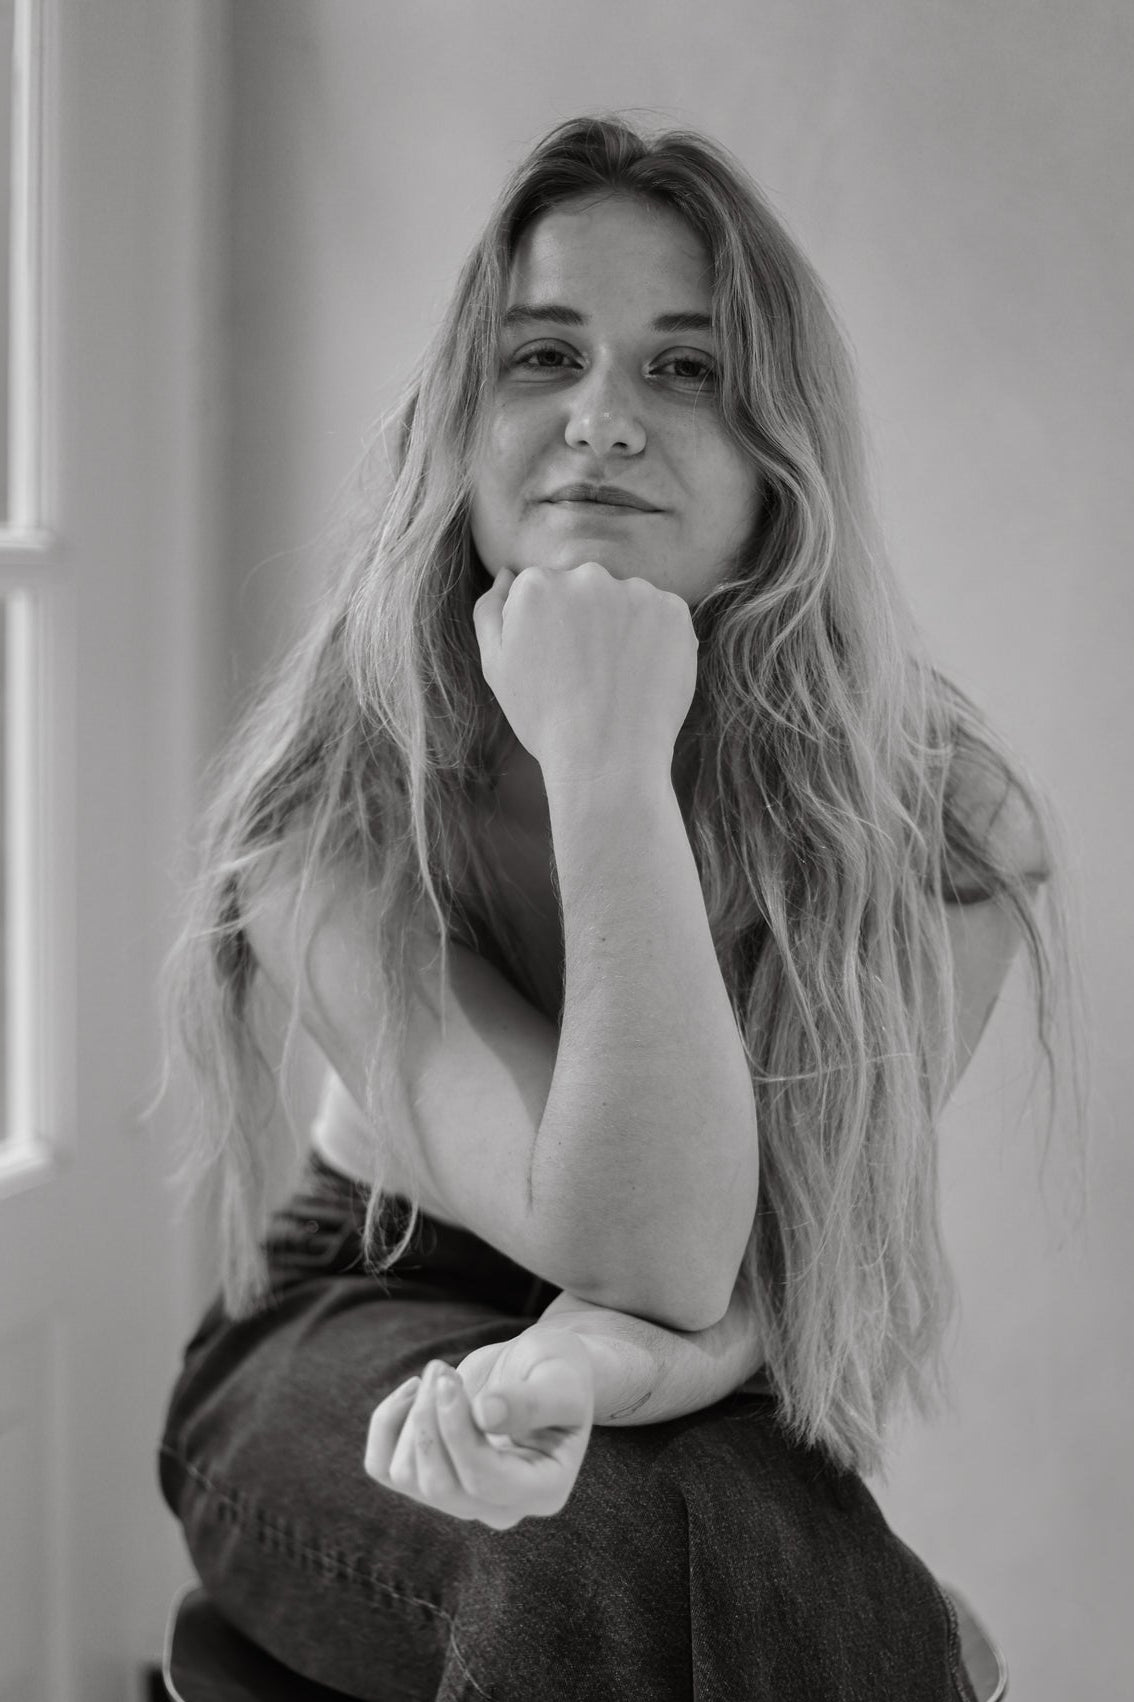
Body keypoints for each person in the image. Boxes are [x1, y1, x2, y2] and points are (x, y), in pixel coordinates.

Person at [156, 113, 1063, 1700]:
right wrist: (607, 762)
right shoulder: (339, 802)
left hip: (709, 1352)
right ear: (464, 422)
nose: (600, 418)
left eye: (684, 367)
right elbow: (647, 1247)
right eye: (542, 355)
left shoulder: (931, 819)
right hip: (362, 1312)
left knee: (710, 1548)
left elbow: (758, 1273)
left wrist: (596, 1358)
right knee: (667, 1556)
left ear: (778, 458)